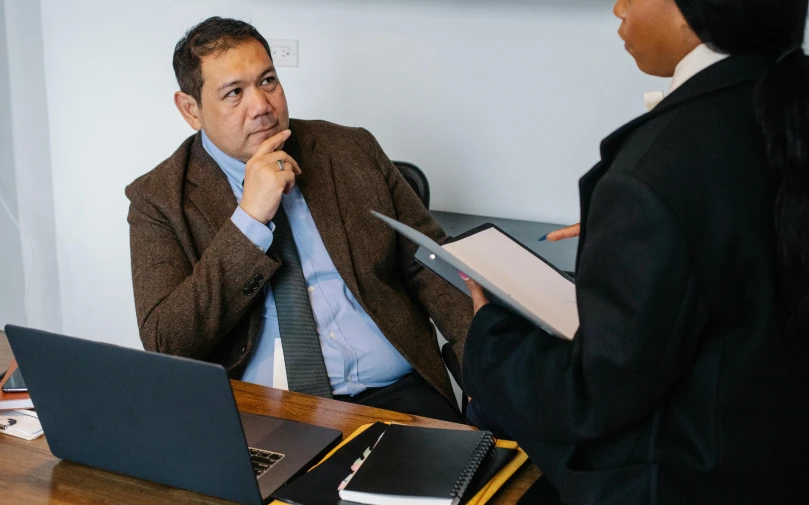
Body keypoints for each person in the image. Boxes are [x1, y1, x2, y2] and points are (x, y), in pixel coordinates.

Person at [461, 0, 809, 503]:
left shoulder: (659, 166)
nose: (617, 6)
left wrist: (488, 334)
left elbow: (595, 395)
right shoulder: (771, 107)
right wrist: (635, 233)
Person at [125, 17, 472, 423]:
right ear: (191, 110)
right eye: (234, 93)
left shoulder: (351, 150)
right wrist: (249, 220)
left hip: (398, 395)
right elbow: (168, 342)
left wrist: (492, 368)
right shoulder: (158, 199)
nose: (261, 106)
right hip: (265, 412)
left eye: (267, 81)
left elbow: (430, 266)